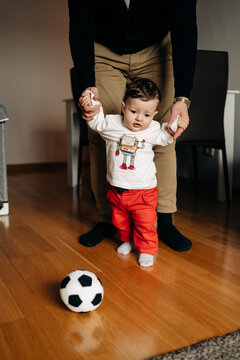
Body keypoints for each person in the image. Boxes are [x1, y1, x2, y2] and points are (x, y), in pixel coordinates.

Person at [68, 0, 198, 251]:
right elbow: (80, 28)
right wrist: (88, 85)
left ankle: (164, 220)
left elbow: (185, 29)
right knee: (101, 132)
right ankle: (108, 220)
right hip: (103, 52)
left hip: (156, 51)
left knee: (162, 131)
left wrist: (182, 98)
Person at [81, 78, 188, 267]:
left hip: (143, 192)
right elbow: (96, 122)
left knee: (145, 224)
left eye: (147, 115)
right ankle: (127, 240)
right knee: (120, 221)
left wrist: (176, 124)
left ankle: (147, 249)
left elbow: (166, 136)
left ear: (154, 114)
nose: (139, 118)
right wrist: (92, 102)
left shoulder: (153, 129)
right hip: (117, 189)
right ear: (123, 107)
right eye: (133, 111)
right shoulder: (112, 124)